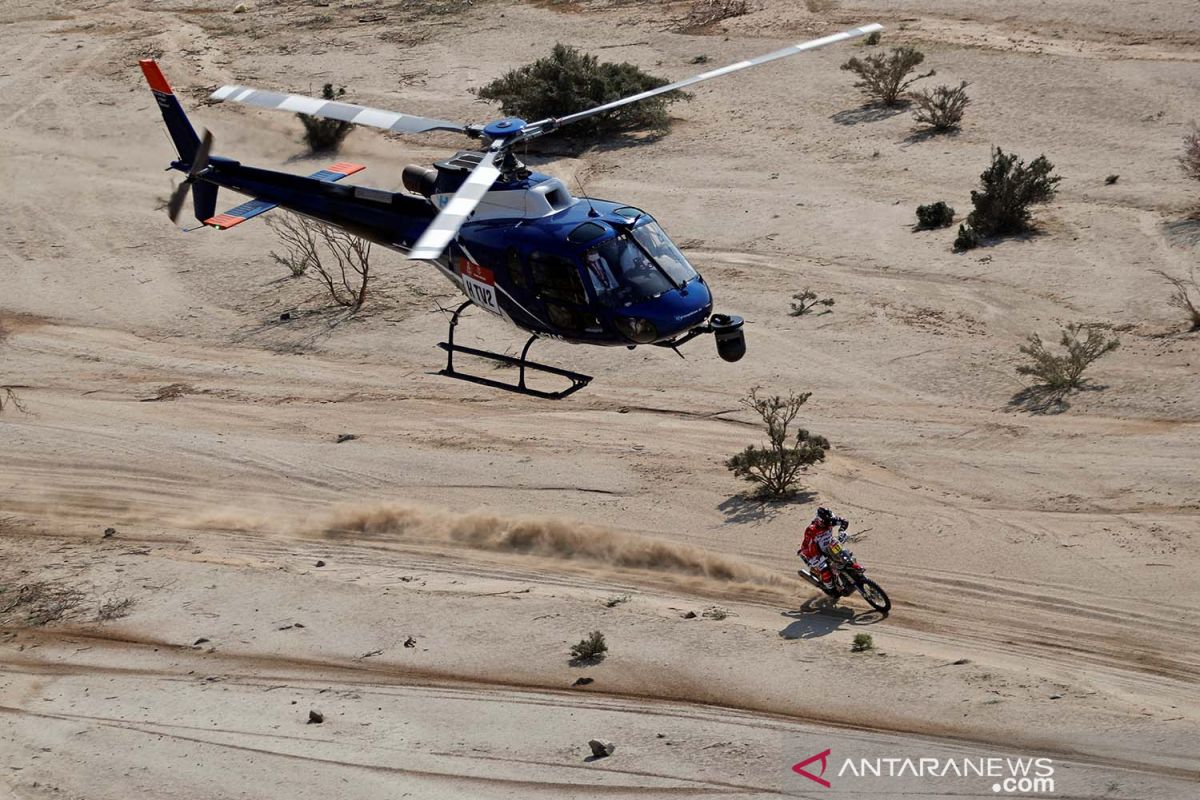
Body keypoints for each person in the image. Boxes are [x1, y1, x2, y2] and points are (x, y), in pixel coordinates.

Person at [798, 507, 850, 591]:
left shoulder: (829, 520)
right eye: (826, 521)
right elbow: (810, 546)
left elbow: (844, 521)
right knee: (825, 569)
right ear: (820, 520)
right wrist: (820, 558)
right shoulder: (811, 530)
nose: (829, 523)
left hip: (828, 546)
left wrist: (841, 531)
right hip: (812, 552)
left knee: (845, 556)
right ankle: (831, 589)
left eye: (830, 520)